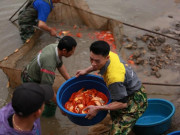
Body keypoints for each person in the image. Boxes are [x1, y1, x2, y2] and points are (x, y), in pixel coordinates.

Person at [76, 41, 148, 135]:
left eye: (97, 61)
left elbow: (123, 104)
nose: (93, 64)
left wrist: (97, 108)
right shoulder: (109, 54)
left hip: (135, 100)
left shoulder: (114, 78)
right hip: (123, 91)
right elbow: (95, 64)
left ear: (107, 58)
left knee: (115, 132)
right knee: (115, 116)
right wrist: (86, 70)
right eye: (91, 59)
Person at [21, 36, 77, 116]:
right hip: (30, 80)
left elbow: (60, 65)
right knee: (51, 103)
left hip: (31, 71)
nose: (73, 53)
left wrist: (70, 81)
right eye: (72, 51)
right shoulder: (49, 64)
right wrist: (61, 107)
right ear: (64, 51)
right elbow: (47, 88)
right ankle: (46, 119)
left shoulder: (55, 47)